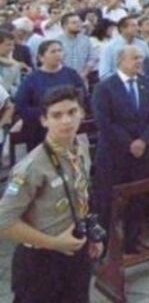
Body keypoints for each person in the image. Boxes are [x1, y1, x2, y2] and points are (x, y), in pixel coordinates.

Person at [0, 86, 102, 302]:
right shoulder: (31, 167)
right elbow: (4, 222)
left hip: (76, 252)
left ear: (82, 113)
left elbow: (81, 195)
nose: (66, 120)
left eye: (72, 112)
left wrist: (91, 235)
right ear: (44, 120)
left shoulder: (80, 148)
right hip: (40, 262)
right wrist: (55, 243)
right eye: (57, 115)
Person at [92, 45, 149, 256]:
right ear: (120, 60)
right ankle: (104, 247)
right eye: (134, 58)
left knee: (137, 198)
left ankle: (132, 240)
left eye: (140, 57)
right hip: (113, 154)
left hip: (141, 154)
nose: (139, 61)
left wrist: (143, 140)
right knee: (107, 201)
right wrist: (129, 143)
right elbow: (104, 121)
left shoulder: (148, 85)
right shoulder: (105, 87)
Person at [15, 40, 87, 151]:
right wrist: (48, 114)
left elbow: (83, 98)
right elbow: (21, 106)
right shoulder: (32, 79)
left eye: (60, 50)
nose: (58, 54)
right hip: (40, 131)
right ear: (41, 57)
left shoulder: (71, 74)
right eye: (53, 51)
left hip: (68, 127)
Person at [97, 16, 149, 80]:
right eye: (133, 26)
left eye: (137, 26)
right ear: (122, 29)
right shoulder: (110, 47)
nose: (137, 28)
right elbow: (104, 74)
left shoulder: (143, 45)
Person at [57, 13, 96, 81]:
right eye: (74, 23)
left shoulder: (85, 40)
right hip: (62, 79)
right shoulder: (56, 42)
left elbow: (92, 58)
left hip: (82, 79)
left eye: (79, 22)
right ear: (64, 26)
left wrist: (83, 74)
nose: (78, 25)